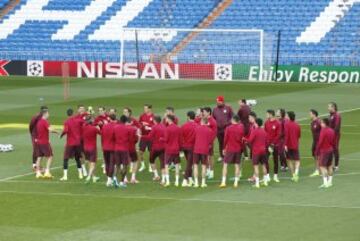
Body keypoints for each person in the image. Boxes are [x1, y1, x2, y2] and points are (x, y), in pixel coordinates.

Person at [219, 115, 244, 188]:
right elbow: (242, 139)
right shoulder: (241, 128)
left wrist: (223, 148)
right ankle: (236, 182)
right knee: (237, 165)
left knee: (225, 165)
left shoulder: (228, 128)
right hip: (238, 149)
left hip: (230, 149)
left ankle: (223, 182)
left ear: (233, 120)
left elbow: (225, 139)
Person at [60, 108, 84, 181]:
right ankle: (80, 174)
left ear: (67, 114)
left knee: (65, 159)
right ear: (73, 113)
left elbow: (66, 130)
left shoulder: (66, 121)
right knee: (77, 158)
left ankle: (65, 176)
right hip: (78, 143)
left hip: (70, 143)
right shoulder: (78, 120)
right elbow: (84, 122)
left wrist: (61, 135)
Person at [34, 109, 58, 179]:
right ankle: (47, 172)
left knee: (39, 157)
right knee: (50, 156)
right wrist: (57, 131)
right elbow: (50, 130)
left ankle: (38, 173)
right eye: (48, 113)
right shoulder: (45, 122)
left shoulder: (38, 122)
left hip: (38, 142)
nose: (48, 115)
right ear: (44, 114)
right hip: (44, 142)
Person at [245, 118, 269, 188]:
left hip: (256, 151)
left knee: (256, 167)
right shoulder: (264, 131)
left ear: (257, 123)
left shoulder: (255, 131)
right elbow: (266, 142)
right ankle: (265, 182)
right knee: (264, 165)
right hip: (263, 151)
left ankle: (257, 183)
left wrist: (245, 139)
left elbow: (250, 140)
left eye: (255, 123)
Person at [193, 118, 216, 188]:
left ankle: (196, 183)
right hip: (204, 150)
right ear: (207, 123)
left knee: (196, 166)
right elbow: (210, 142)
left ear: (202, 122)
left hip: (196, 149)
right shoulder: (210, 130)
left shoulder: (196, 128)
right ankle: (203, 183)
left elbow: (194, 138)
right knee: (204, 166)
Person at [212, 96, 233, 162]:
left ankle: (228, 156)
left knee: (227, 143)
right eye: (217, 101)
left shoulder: (228, 108)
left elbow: (232, 117)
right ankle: (221, 156)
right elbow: (213, 118)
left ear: (222, 101)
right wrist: (216, 124)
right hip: (218, 129)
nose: (217, 103)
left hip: (227, 129)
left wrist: (227, 123)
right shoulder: (215, 109)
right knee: (220, 143)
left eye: (219, 101)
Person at [163, 115, 182, 187]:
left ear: (169, 119)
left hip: (169, 149)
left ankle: (167, 182)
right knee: (177, 165)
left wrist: (161, 139)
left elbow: (166, 139)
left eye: (166, 119)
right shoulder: (178, 128)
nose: (165, 120)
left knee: (166, 165)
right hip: (176, 149)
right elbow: (180, 139)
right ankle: (177, 181)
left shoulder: (167, 128)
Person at [317, 118, 336, 188]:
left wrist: (317, 150)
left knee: (322, 166)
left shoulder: (323, 130)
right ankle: (330, 182)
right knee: (329, 166)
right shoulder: (332, 130)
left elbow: (320, 141)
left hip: (324, 151)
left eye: (321, 122)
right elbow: (333, 141)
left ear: (325, 123)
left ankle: (325, 183)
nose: (320, 124)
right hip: (330, 150)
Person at [113, 115, 131, 188]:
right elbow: (129, 139)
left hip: (117, 148)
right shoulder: (127, 129)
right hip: (124, 149)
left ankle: (114, 177)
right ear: (126, 121)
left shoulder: (115, 128)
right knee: (125, 166)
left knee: (117, 165)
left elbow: (113, 137)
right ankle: (121, 182)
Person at [180, 111, 197, 187]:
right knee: (189, 164)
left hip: (185, 147)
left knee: (189, 163)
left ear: (188, 117)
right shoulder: (197, 126)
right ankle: (184, 180)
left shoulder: (183, 126)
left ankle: (190, 179)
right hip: (192, 147)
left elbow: (181, 137)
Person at [82, 115, 101, 183]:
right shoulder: (94, 128)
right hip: (92, 148)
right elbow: (101, 133)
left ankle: (94, 177)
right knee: (93, 163)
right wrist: (99, 126)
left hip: (85, 148)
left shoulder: (84, 127)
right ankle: (89, 176)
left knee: (89, 162)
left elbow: (84, 122)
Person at [29, 106, 48, 171]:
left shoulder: (44, 117)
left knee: (40, 150)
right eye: (45, 110)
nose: (46, 112)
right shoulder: (36, 117)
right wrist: (33, 134)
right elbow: (31, 125)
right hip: (35, 135)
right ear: (41, 110)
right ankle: (35, 166)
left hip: (40, 136)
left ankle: (38, 166)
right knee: (36, 149)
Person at [264, 109, 281, 183]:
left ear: (271, 114)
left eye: (267, 114)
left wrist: (272, 144)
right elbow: (265, 133)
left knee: (275, 160)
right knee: (265, 160)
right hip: (267, 145)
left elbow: (278, 135)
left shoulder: (277, 123)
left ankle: (275, 176)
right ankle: (267, 175)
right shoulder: (266, 122)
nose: (266, 115)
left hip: (275, 145)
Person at [148, 116, 166, 182]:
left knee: (151, 160)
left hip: (155, 148)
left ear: (155, 121)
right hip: (163, 147)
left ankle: (156, 175)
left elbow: (150, 136)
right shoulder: (164, 126)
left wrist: (141, 136)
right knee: (162, 162)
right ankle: (163, 179)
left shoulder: (154, 127)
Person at [285, 111, 301, 182]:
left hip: (288, 145)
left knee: (289, 160)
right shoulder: (297, 125)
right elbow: (299, 136)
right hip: (295, 145)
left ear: (289, 117)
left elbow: (286, 135)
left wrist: (285, 144)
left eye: (286, 115)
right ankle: (296, 173)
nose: (285, 116)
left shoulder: (286, 124)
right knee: (297, 160)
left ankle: (293, 175)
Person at [101, 114, 117, 187]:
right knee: (112, 164)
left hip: (105, 147)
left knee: (107, 163)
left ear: (109, 119)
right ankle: (109, 179)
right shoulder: (116, 127)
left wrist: (102, 146)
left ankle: (109, 178)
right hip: (113, 147)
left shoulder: (104, 126)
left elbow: (102, 137)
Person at [202, 107, 217, 179]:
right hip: (204, 142)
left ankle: (211, 172)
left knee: (210, 157)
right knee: (205, 157)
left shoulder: (212, 121)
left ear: (208, 112)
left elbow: (214, 134)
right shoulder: (205, 120)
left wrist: (210, 143)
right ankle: (208, 170)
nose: (203, 113)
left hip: (209, 142)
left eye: (204, 112)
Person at [138, 104, 155, 172]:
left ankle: (151, 165)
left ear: (149, 109)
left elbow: (155, 126)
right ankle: (143, 165)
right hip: (143, 137)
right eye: (144, 108)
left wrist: (148, 126)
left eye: (146, 108)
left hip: (151, 137)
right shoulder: (142, 116)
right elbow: (139, 124)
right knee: (140, 152)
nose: (144, 110)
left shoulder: (153, 116)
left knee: (151, 152)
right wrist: (141, 126)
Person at [126, 117, 140, 184]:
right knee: (135, 162)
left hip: (124, 148)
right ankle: (133, 178)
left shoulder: (121, 128)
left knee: (124, 162)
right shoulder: (134, 129)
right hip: (132, 148)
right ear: (131, 122)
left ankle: (124, 178)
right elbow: (136, 139)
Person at [328, 102, 341, 171]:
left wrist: (332, 134)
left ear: (333, 107)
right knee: (330, 149)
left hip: (335, 135)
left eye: (329, 107)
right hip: (331, 135)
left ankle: (336, 166)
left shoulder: (337, 115)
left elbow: (337, 127)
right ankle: (330, 164)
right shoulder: (331, 115)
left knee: (335, 149)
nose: (328, 108)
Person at [309, 109, 321, 177]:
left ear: (314, 114)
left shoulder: (319, 122)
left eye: (310, 114)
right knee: (315, 155)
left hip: (319, 142)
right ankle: (318, 169)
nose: (309, 115)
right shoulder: (312, 122)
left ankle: (318, 170)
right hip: (315, 141)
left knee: (318, 156)